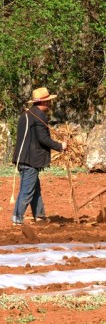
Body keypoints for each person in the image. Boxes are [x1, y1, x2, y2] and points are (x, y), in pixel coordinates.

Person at [11, 87, 66, 225]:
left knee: (34, 188)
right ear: (46, 103)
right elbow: (44, 139)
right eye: (49, 101)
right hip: (31, 160)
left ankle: (40, 216)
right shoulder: (40, 116)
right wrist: (61, 146)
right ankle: (17, 218)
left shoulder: (26, 114)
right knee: (28, 189)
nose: (50, 104)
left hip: (24, 158)